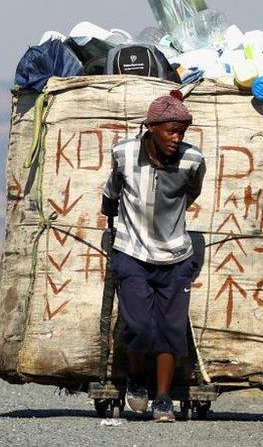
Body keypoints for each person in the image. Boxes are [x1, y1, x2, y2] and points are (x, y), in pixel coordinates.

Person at [101, 90, 206, 422]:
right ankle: (135, 381)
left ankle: (162, 398)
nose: (177, 139)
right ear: (151, 128)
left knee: (171, 329)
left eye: (182, 133)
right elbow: (111, 194)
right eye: (170, 132)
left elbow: (192, 193)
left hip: (175, 256)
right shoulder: (123, 155)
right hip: (131, 252)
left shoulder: (193, 161)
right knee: (140, 324)